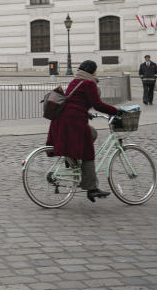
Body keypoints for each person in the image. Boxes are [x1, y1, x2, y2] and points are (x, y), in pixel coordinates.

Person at [46, 60, 121, 202]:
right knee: (88, 151)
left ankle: (73, 158)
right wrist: (116, 111)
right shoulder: (89, 83)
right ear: (92, 71)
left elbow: (74, 101)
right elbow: (97, 104)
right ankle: (91, 188)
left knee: (93, 133)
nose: (96, 73)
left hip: (63, 119)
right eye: (95, 71)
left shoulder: (76, 80)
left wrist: (86, 113)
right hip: (74, 122)